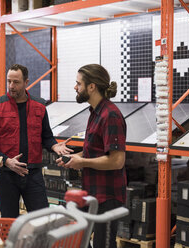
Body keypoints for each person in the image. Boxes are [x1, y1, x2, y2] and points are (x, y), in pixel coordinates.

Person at [0, 64, 73, 218]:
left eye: (16, 82)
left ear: (26, 82)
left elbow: (47, 137)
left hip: (33, 174)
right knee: (9, 222)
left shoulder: (40, 106)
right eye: (9, 81)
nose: (11, 86)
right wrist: (6, 161)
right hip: (6, 175)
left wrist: (55, 146)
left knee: (42, 219)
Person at [56, 64, 127, 248]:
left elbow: (117, 160)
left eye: (78, 83)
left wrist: (83, 162)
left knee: (103, 245)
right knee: (78, 239)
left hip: (108, 197)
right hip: (91, 193)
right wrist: (74, 159)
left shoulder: (110, 115)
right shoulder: (94, 113)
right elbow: (94, 152)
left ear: (92, 86)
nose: (75, 87)